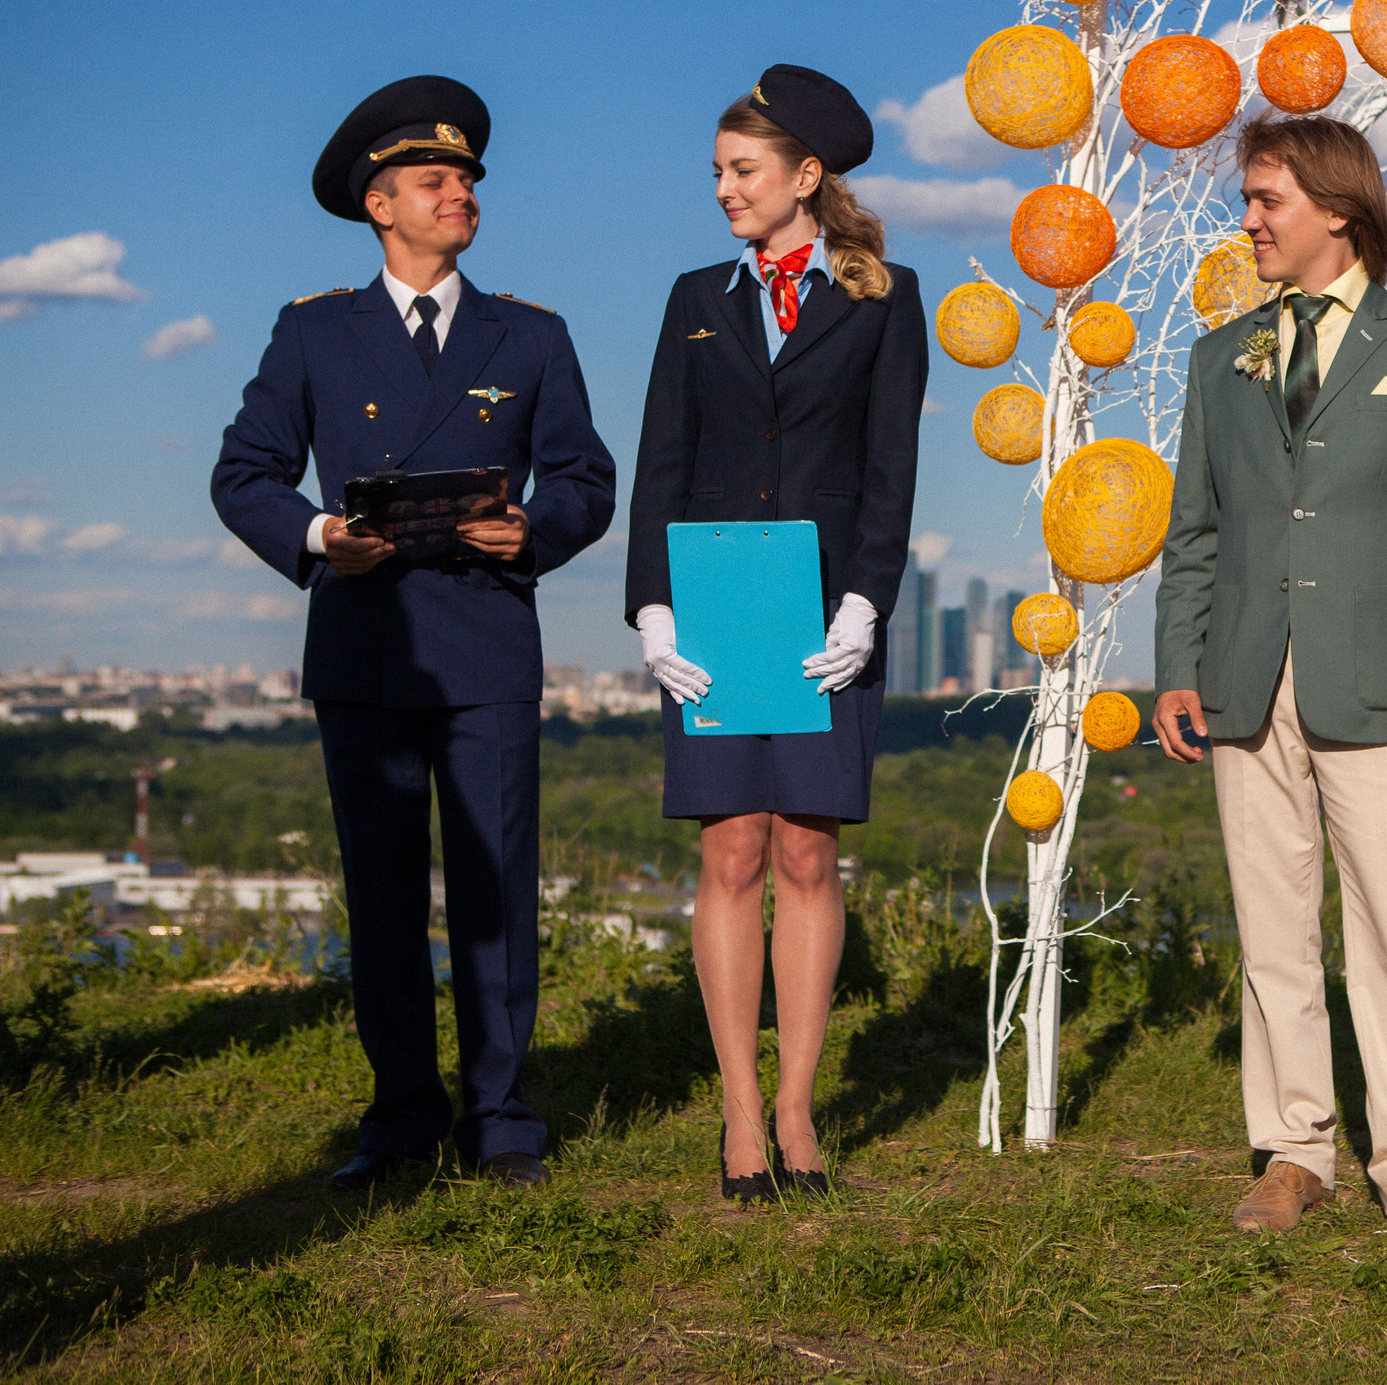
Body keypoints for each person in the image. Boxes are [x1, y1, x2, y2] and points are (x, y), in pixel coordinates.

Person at [212, 75, 617, 1190]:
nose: (462, 194)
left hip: (486, 642)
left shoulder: (530, 336)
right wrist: (313, 537)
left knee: (494, 890)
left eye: (469, 179)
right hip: (367, 645)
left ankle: (500, 1117)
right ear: (378, 204)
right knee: (382, 892)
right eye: (436, 180)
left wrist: (533, 524)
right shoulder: (312, 333)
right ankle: (399, 1117)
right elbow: (244, 472)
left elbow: (587, 475)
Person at [1153, 114, 1387, 1251]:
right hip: (1243, 685)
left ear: (1336, 211)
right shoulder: (1222, 357)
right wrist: (1176, 669)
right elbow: (1193, 534)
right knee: (1271, 932)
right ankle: (1294, 1151)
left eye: (1266, 202)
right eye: (1248, 201)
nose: (1248, 221)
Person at [626, 64, 926, 1203]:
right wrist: (650, 606)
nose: (721, 191)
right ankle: (738, 1117)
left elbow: (890, 467)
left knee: (806, 848)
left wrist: (866, 601)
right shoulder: (692, 297)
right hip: (710, 611)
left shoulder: (882, 298)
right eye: (715, 172)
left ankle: (799, 1108)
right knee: (729, 850)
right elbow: (661, 456)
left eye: (740, 171)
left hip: (827, 611)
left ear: (805, 177)